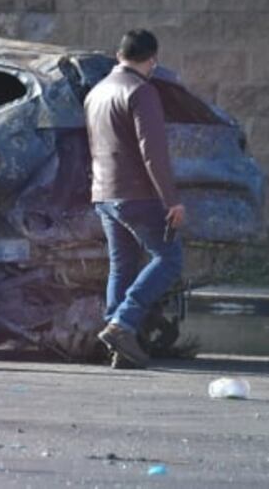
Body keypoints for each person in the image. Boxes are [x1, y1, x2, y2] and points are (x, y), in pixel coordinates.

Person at [84, 29, 185, 369]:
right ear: (152, 60)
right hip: (136, 194)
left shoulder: (95, 93)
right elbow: (153, 153)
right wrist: (171, 199)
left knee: (122, 264)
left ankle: (118, 344)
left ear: (119, 54)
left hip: (103, 193)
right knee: (169, 259)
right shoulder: (142, 91)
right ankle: (122, 324)